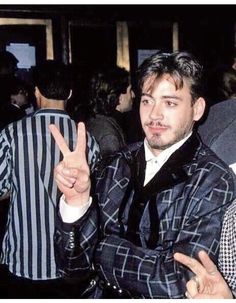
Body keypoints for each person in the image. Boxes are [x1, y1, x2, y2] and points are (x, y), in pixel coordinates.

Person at [50, 51, 235, 298]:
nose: (154, 115)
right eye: (147, 100)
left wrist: (101, 248)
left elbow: (179, 282)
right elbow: (73, 269)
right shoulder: (116, 164)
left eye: (170, 103)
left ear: (197, 108)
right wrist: (76, 203)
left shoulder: (213, 179)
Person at [0, 60, 100, 298]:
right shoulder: (87, 142)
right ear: (71, 93)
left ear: (36, 92)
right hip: (69, 260)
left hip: (22, 258)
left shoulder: (11, 134)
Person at [85, 66, 133, 157]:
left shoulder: (96, 120)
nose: (133, 95)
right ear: (119, 97)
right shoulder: (109, 135)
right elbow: (114, 170)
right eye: (130, 91)